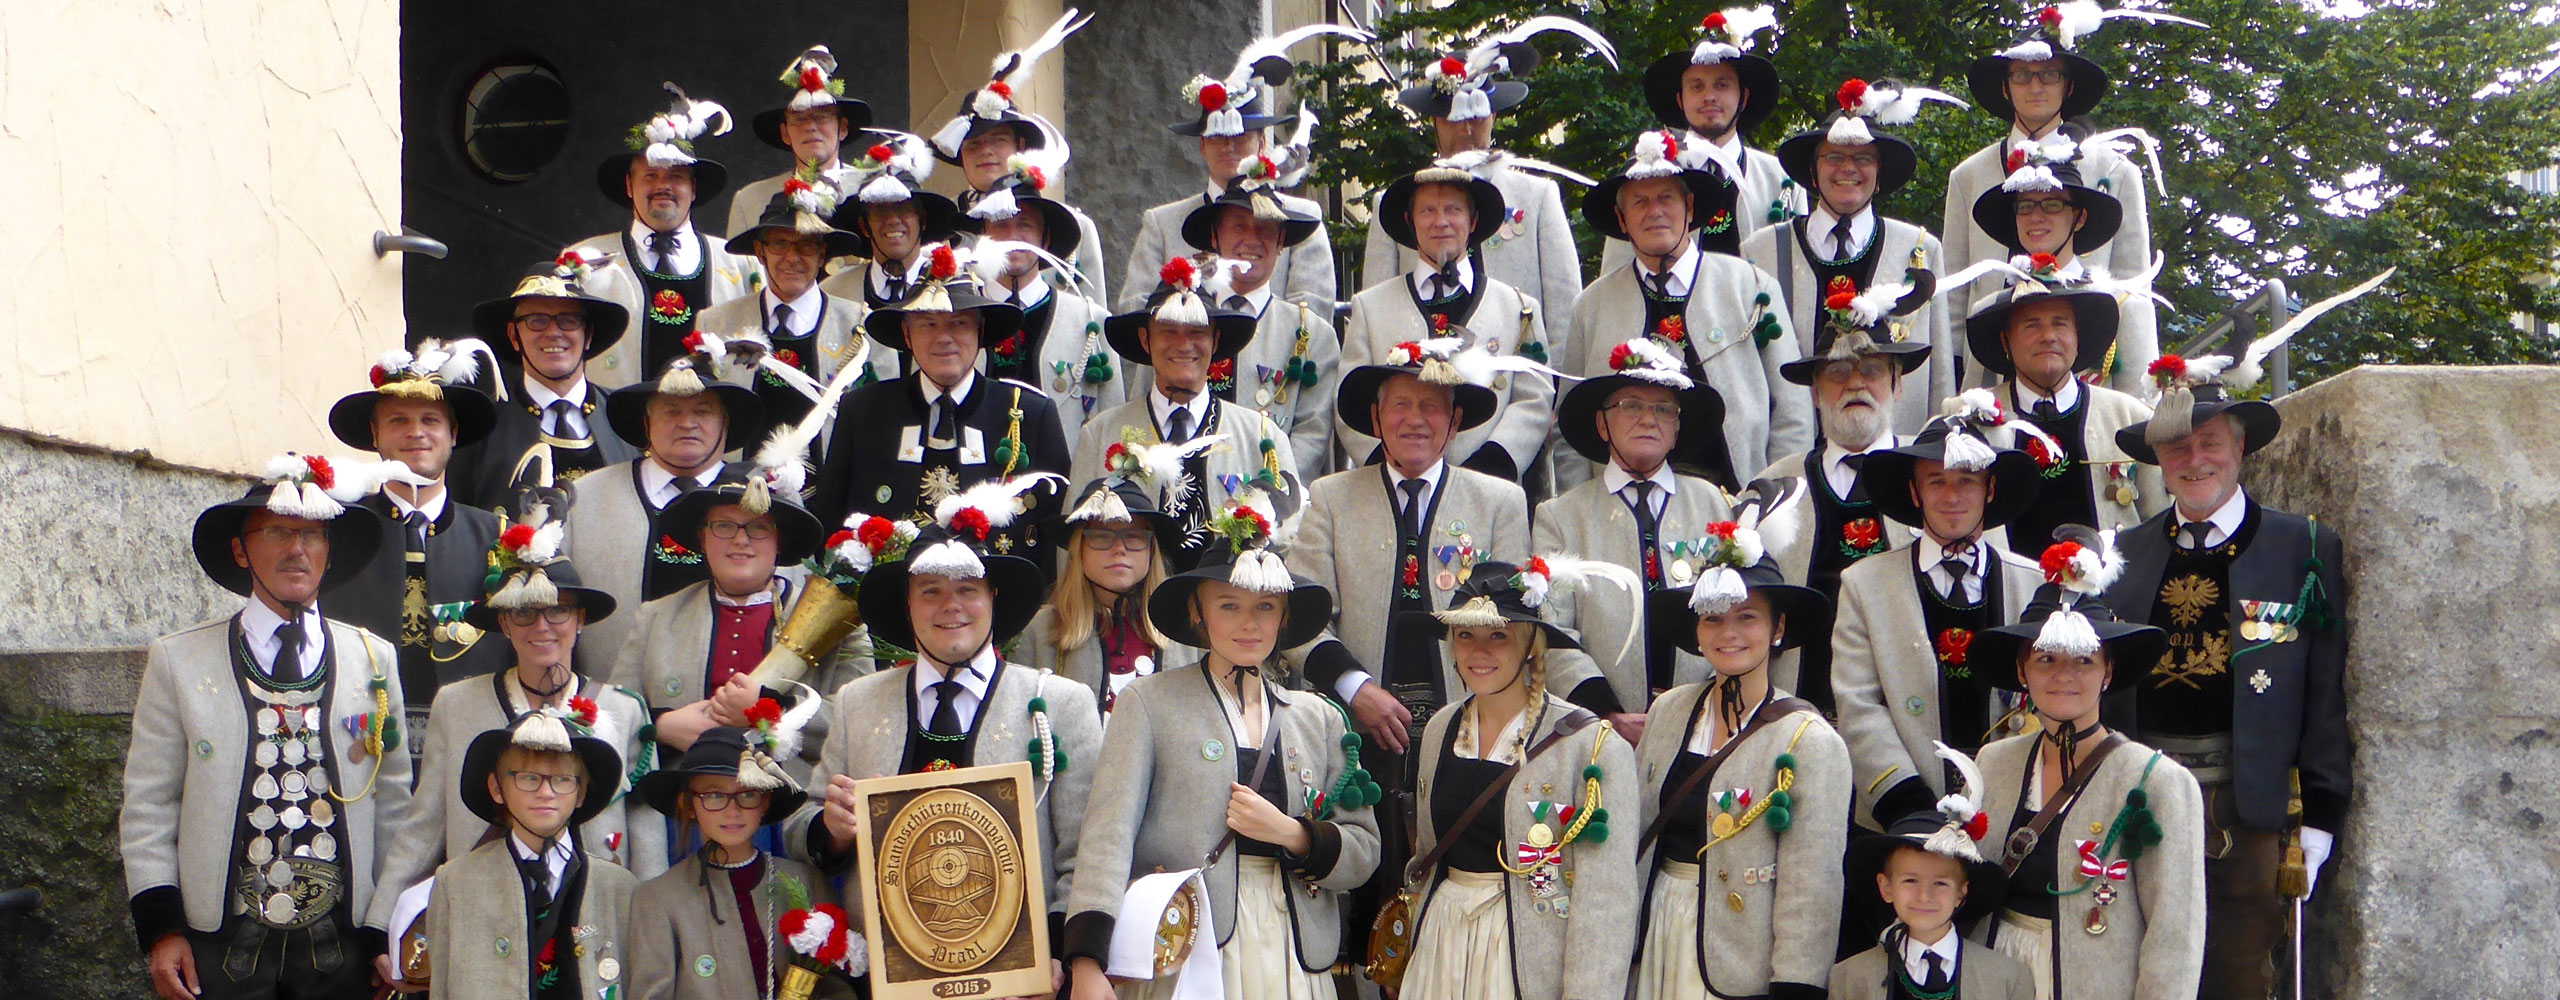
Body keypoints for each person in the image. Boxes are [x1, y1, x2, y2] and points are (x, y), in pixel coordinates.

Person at [2105, 332, 2360, 999]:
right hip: (2142, 802)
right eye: (2177, 448)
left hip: (2249, 809)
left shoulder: (2302, 546)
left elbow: (2322, 691)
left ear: (2240, 447)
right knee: (2141, 971)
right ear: (2158, 461)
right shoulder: (2122, 553)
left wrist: (2322, 816)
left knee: (2238, 974)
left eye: (2210, 442)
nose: (2195, 460)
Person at [1062, 492, 1383, 1000]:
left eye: (1265, 607)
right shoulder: (1149, 702)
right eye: (1228, 606)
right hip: (1184, 946)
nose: (1248, 623)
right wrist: (1086, 959)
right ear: (1198, 613)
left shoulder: (1319, 718)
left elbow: (1364, 852)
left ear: (1284, 618)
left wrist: (1294, 834)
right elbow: (1107, 836)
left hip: (1295, 950)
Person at [784, 483, 1102, 993]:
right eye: (930, 591)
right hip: (891, 981)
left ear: (993, 598)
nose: (950, 606)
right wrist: (832, 828)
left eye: (967, 590)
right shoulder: (856, 703)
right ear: (907, 604)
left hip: (1022, 983)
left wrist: (1056, 950)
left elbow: (1085, 853)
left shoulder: (1061, 702)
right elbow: (801, 827)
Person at [125, 458, 412, 1000]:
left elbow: (396, 808)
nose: (296, 549)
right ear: (241, 550)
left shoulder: (373, 659)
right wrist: (163, 930)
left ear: (329, 551)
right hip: (220, 942)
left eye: (312, 534)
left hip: (342, 945)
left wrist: (386, 926)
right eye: (277, 532)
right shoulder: (179, 659)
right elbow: (149, 807)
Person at [374, 502, 660, 940]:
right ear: (504, 623)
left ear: (580, 619)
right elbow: (425, 825)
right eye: (523, 612)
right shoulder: (457, 705)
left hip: (595, 920)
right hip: (483, 916)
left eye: (557, 610)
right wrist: (380, 924)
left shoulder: (623, 710)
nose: (541, 626)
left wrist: (650, 934)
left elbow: (646, 835)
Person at [1967, 536, 2206, 1000]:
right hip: (1994, 979)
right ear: (2021, 671)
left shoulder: (2157, 781)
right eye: (2045, 659)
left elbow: (2175, 934)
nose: (2064, 675)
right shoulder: (1994, 762)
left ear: (2108, 671)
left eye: (2083, 660)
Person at [1391, 563, 1641, 1000]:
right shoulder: (1440, 728)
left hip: (1529, 954)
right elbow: (1427, 855)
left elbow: (1606, 900)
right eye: (1465, 635)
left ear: (1529, 645)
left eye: (1498, 636)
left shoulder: (1592, 746)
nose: (1479, 651)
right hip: (1441, 945)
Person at [1632, 514, 1849, 1000]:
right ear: (1697, 629)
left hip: (1740, 954)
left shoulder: (1808, 740)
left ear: (1778, 628)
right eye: (1713, 617)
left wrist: (1794, 986)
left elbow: (1810, 887)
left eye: (1747, 616)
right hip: (1656, 931)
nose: (1728, 632)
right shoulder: (1668, 711)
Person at [1942, 5, 2199, 396]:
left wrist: (2138, 400)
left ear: (2069, 86)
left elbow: (2133, 290)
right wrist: (1952, 392)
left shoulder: (2116, 172)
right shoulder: (1968, 177)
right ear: (2005, 87)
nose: (2035, 86)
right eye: (2022, 75)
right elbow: (1953, 301)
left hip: (2088, 377)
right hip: (1990, 379)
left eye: (2049, 74)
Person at [1833, 400, 2049, 832]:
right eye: (1936, 482)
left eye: (1967, 480)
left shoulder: (2034, 582)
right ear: (1915, 493)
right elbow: (1858, 704)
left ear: (1990, 488)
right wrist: (1906, 803)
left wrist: (2013, 797)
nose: (1952, 497)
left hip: (2009, 810)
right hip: (1902, 814)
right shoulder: (1864, 584)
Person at [1568, 130, 1809, 494]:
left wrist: (1776, 497)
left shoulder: (1752, 287)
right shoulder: (1591, 306)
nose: (1655, 212)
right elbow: (1570, 426)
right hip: (1623, 505)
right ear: (1621, 218)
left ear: (1690, 207)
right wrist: (1584, 508)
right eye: (1640, 202)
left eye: (1666, 198)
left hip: (1741, 501)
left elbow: (1793, 412)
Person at [807, 246, 1073, 559]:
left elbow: (1056, 539)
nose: (943, 337)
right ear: (907, 334)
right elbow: (831, 524)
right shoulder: (864, 411)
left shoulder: (1030, 413)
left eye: (959, 323)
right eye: (928, 324)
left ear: (980, 330)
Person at [612, 466, 862, 799]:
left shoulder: (841, 622)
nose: (741, 539)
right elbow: (615, 717)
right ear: (703, 539)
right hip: (683, 805)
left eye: (758, 527)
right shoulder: (655, 617)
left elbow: (860, 724)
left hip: (791, 805)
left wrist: (771, 707)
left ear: (778, 541)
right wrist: (659, 727)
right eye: (724, 526)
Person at [1754, 270, 1940, 708]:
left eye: (1872, 370)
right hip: (1798, 708)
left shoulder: (1941, 476)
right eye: (1837, 373)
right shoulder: (1774, 487)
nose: (1856, 383)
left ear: (1897, 383)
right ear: (1815, 393)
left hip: (1911, 705)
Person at [1534, 334, 1735, 738]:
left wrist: (1709, 704)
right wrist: (1605, 712)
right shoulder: (1561, 516)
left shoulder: (1712, 503)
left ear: (1676, 429)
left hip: (1707, 722)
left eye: (1664, 409)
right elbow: (1553, 633)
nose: (1648, 419)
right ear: (1602, 424)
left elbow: (1736, 613)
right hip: (1600, 728)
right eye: (1631, 405)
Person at [324, 341, 512, 763]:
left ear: (453, 434)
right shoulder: (338, 532)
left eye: (431, 419)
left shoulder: (499, 538)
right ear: (375, 434)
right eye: (398, 420)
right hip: (355, 744)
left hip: (471, 750)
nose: (416, 432)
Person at [1360, 17, 1610, 328]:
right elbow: (1376, 314)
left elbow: (1564, 309)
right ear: (1435, 122)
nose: (1466, 129)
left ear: (1493, 116)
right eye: (1454, 119)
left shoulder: (1537, 198)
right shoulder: (1393, 204)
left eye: (1477, 118)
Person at [1747, 78, 1966, 433]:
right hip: (1793, 447)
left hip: (1895, 447)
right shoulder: (1761, 250)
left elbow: (1939, 371)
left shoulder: (1921, 249)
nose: (1848, 168)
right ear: (1813, 174)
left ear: (1879, 176)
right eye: (1833, 157)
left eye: (1863, 158)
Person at [1340, 155, 1563, 481]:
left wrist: (1491, 465)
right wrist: (1388, 466)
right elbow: (1350, 399)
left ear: (1473, 220)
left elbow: (1534, 399)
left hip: (1490, 487)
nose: (1441, 221)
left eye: (1454, 210)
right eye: (1428, 210)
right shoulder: (1370, 307)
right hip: (1395, 489)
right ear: (1410, 221)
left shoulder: (1518, 309)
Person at [1075, 254, 1302, 566]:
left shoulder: (1262, 437)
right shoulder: (1100, 434)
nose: (1184, 345)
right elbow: (1074, 553)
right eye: (1168, 331)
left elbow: (1291, 549)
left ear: (1215, 340)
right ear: (1145, 339)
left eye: (1197, 332)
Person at [1120, 25, 1355, 316]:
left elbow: (1311, 312)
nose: (1228, 147)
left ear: (1262, 143)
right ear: (1202, 146)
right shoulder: (1162, 224)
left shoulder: (1300, 218)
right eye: (1217, 138)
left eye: (1241, 137)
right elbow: (1135, 307)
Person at [567, 347, 772, 666]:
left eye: (702, 411)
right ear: (646, 423)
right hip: (608, 691)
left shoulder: (765, 497)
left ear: (725, 422)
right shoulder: (584, 498)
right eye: (671, 411)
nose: (687, 423)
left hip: (737, 692)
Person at [415, 710, 638, 999]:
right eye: (529, 778)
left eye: (563, 779)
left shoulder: (619, 888)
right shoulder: (456, 883)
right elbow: (441, 991)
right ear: (497, 788)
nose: (546, 792)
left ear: (580, 793)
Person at [626, 727, 856, 1000]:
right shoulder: (657, 900)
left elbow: (840, 988)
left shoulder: (807, 882)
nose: (732, 810)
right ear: (688, 804)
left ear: (765, 801)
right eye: (714, 795)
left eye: (747, 794)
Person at [570, 92, 761, 387]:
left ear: (693, 188)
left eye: (676, 176)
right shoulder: (583, 262)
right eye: (651, 175)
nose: (663, 186)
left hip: (713, 413)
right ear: (629, 185)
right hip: (618, 414)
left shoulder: (741, 265)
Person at [1962, 278, 2164, 556]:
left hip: (2113, 581)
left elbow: (2159, 520)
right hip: (2005, 581)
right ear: (2005, 341)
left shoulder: (2131, 418)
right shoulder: (1967, 420)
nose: (2048, 336)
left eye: (2060, 324)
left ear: (2077, 337)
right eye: (2031, 325)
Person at [931, 9, 1111, 304]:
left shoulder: (1075, 226)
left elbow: (1093, 319)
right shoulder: (940, 227)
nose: (985, 151)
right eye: (973, 144)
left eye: (998, 140)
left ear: (1021, 145)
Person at [1610, 4, 1803, 271]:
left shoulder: (1780, 179)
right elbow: (1616, 276)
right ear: (1680, 99)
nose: (1709, 96)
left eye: (1722, 85)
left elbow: (1796, 271)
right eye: (1696, 86)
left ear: (1743, 97)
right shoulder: (1646, 175)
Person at [699, 185, 897, 445]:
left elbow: (885, 420)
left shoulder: (862, 327)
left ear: (822, 255)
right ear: (760, 252)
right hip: (741, 471)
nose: (792, 257)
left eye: (806, 246)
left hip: (831, 471)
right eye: (780, 244)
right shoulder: (716, 324)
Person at [1829, 752, 2036, 999]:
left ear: (1961, 893)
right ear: (1886, 887)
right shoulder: (1850, 978)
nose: (1924, 895)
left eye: (1940, 883)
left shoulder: (2007, 979)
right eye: (1910, 880)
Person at [1179, 175, 1342, 484]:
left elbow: (1312, 435)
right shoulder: (1179, 318)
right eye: (1238, 226)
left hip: (1271, 496)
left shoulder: (1311, 334)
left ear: (1281, 242)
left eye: (1265, 229)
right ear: (1214, 236)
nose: (1252, 239)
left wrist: (1270, 497)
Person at [449, 257, 640, 513]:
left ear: (588, 335)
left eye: (568, 320)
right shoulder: (479, 427)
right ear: (514, 336)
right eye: (537, 321)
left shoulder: (627, 417)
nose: (553, 332)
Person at [955, 159, 1122, 445]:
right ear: (983, 237)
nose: (1012, 237)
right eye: (1000, 225)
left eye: (1025, 225)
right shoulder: (956, 315)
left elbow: (1112, 425)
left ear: (1045, 240)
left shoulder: (1090, 321)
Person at [1022, 476, 1193, 717]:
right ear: (1079, 550)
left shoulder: (1185, 630)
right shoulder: (1039, 631)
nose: (1119, 549)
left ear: (1151, 550)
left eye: (1134, 536)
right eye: (1101, 536)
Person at [727, 45, 874, 240]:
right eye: (799, 118)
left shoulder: (871, 190)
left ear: (843, 128)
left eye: (822, 116)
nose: (811, 126)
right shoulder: (750, 201)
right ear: (785, 133)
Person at [816, 135, 963, 316]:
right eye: (880, 210)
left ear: (922, 220)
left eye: (904, 208)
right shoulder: (833, 293)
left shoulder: (955, 288)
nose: (893, 219)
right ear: (864, 226)